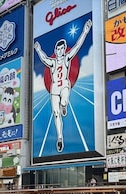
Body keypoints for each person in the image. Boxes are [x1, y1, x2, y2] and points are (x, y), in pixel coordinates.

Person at [34, 19, 92, 152]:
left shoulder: (66, 58)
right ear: (55, 50)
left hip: (65, 85)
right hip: (54, 89)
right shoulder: (53, 62)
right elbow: (43, 58)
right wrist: (38, 49)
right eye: (58, 49)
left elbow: (77, 46)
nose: (60, 51)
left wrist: (85, 31)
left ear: (64, 49)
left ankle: (64, 105)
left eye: (62, 48)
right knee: (55, 114)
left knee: (64, 101)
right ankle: (60, 138)